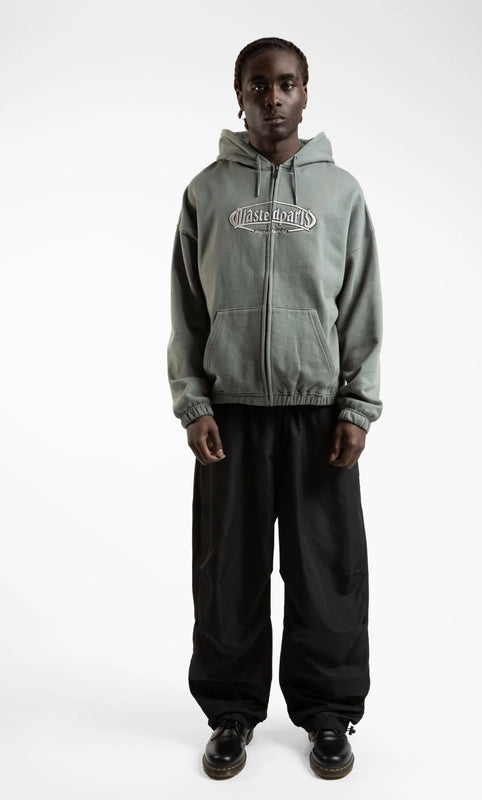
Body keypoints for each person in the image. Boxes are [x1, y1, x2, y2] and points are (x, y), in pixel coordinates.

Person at [167, 36, 383, 780]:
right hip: (229, 414)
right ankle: (230, 712)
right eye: (258, 85)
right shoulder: (206, 193)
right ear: (239, 94)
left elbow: (361, 305)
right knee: (227, 570)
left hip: (318, 413)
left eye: (286, 84)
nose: (273, 98)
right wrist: (193, 402)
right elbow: (186, 308)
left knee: (326, 571)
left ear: (305, 92)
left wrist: (356, 407)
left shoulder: (339, 193)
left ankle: (328, 714)